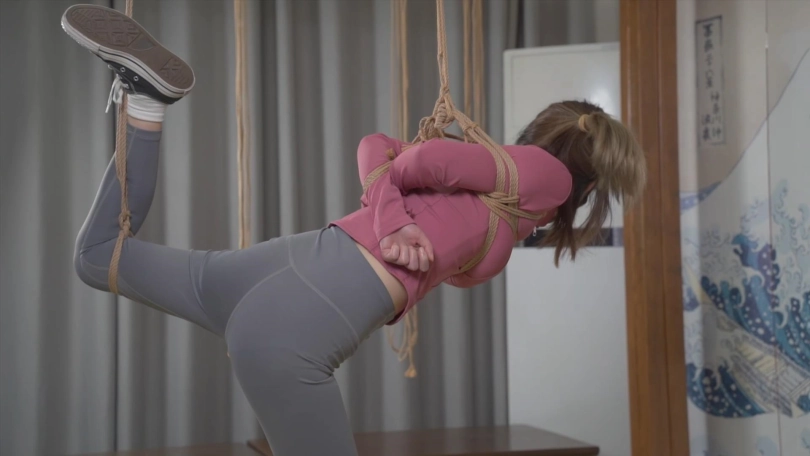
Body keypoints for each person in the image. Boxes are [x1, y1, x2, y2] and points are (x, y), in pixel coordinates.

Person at [63, 5, 646, 456]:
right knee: (98, 257)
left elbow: (379, 150)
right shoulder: (549, 179)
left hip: (278, 268)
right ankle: (147, 101)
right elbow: (411, 159)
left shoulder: (496, 195)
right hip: (298, 321)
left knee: (97, 256)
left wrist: (395, 217)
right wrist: (395, 224)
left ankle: (146, 105)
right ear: (589, 184)